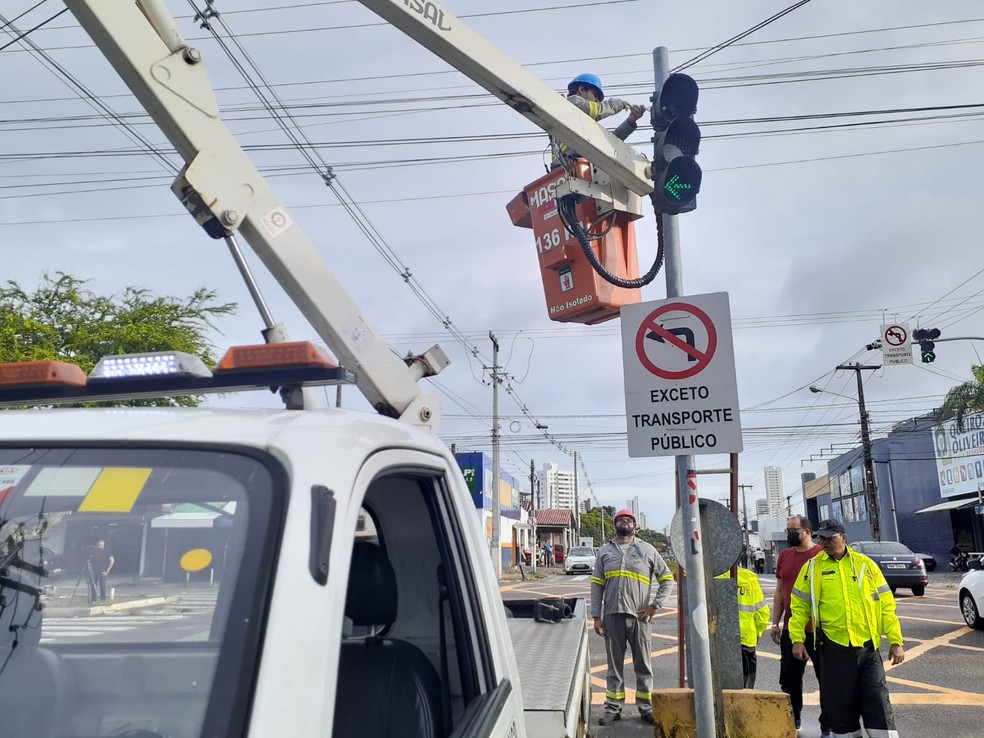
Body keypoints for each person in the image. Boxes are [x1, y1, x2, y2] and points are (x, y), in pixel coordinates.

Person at [789, 520, 904, 738]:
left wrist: (896, 641)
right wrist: (797, 639)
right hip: (833, 648)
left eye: (829, 538)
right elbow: (800, 606)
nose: (824, 543)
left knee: (877, 701)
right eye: (821, 538)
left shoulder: (865, 565)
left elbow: (887, 605)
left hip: (867, 648)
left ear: (843, 537)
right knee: (840, 706)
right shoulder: (812, 568)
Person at [591, 509, 674, 726]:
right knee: (614, 666)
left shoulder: (646, 549)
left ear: (635, 526)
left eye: (629, 520)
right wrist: (596, 617)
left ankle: (646, 708)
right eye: (621, 520)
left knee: (643, 665)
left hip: (640, 618)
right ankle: (613, 708)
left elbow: (667, 578)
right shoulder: (605, 552)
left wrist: (655, 605)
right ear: (615, 525)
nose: (625, 523)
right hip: (611, 616)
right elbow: (597, 584)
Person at [771, 516, 829, 736]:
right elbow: (779, 591)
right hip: (791, 629)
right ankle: (794, 722)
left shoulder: (821, 556)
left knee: (827, 679)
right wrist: (775, 622)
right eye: (787, 530)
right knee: (789, 680)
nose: (789, 534)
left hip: (819, 631)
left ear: (806, 531)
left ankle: (828, 725)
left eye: (792, 530)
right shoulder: (785, 556)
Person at [550, 73, 646, 168]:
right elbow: (593, 109)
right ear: (581, 90)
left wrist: (630, 122)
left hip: (576, 168)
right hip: (567, 166)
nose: (596, 101)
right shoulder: (570, 104)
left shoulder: (583, 123)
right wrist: (616, 104)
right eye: (594, 95)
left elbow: (609, 143)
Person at [717, 566, 770, 688]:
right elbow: (762, 612)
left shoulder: (712, 578)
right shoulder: (749, 578)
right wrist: (758, 633)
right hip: (746, 638)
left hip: (720, 640)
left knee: (720, 685)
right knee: (745, 687)